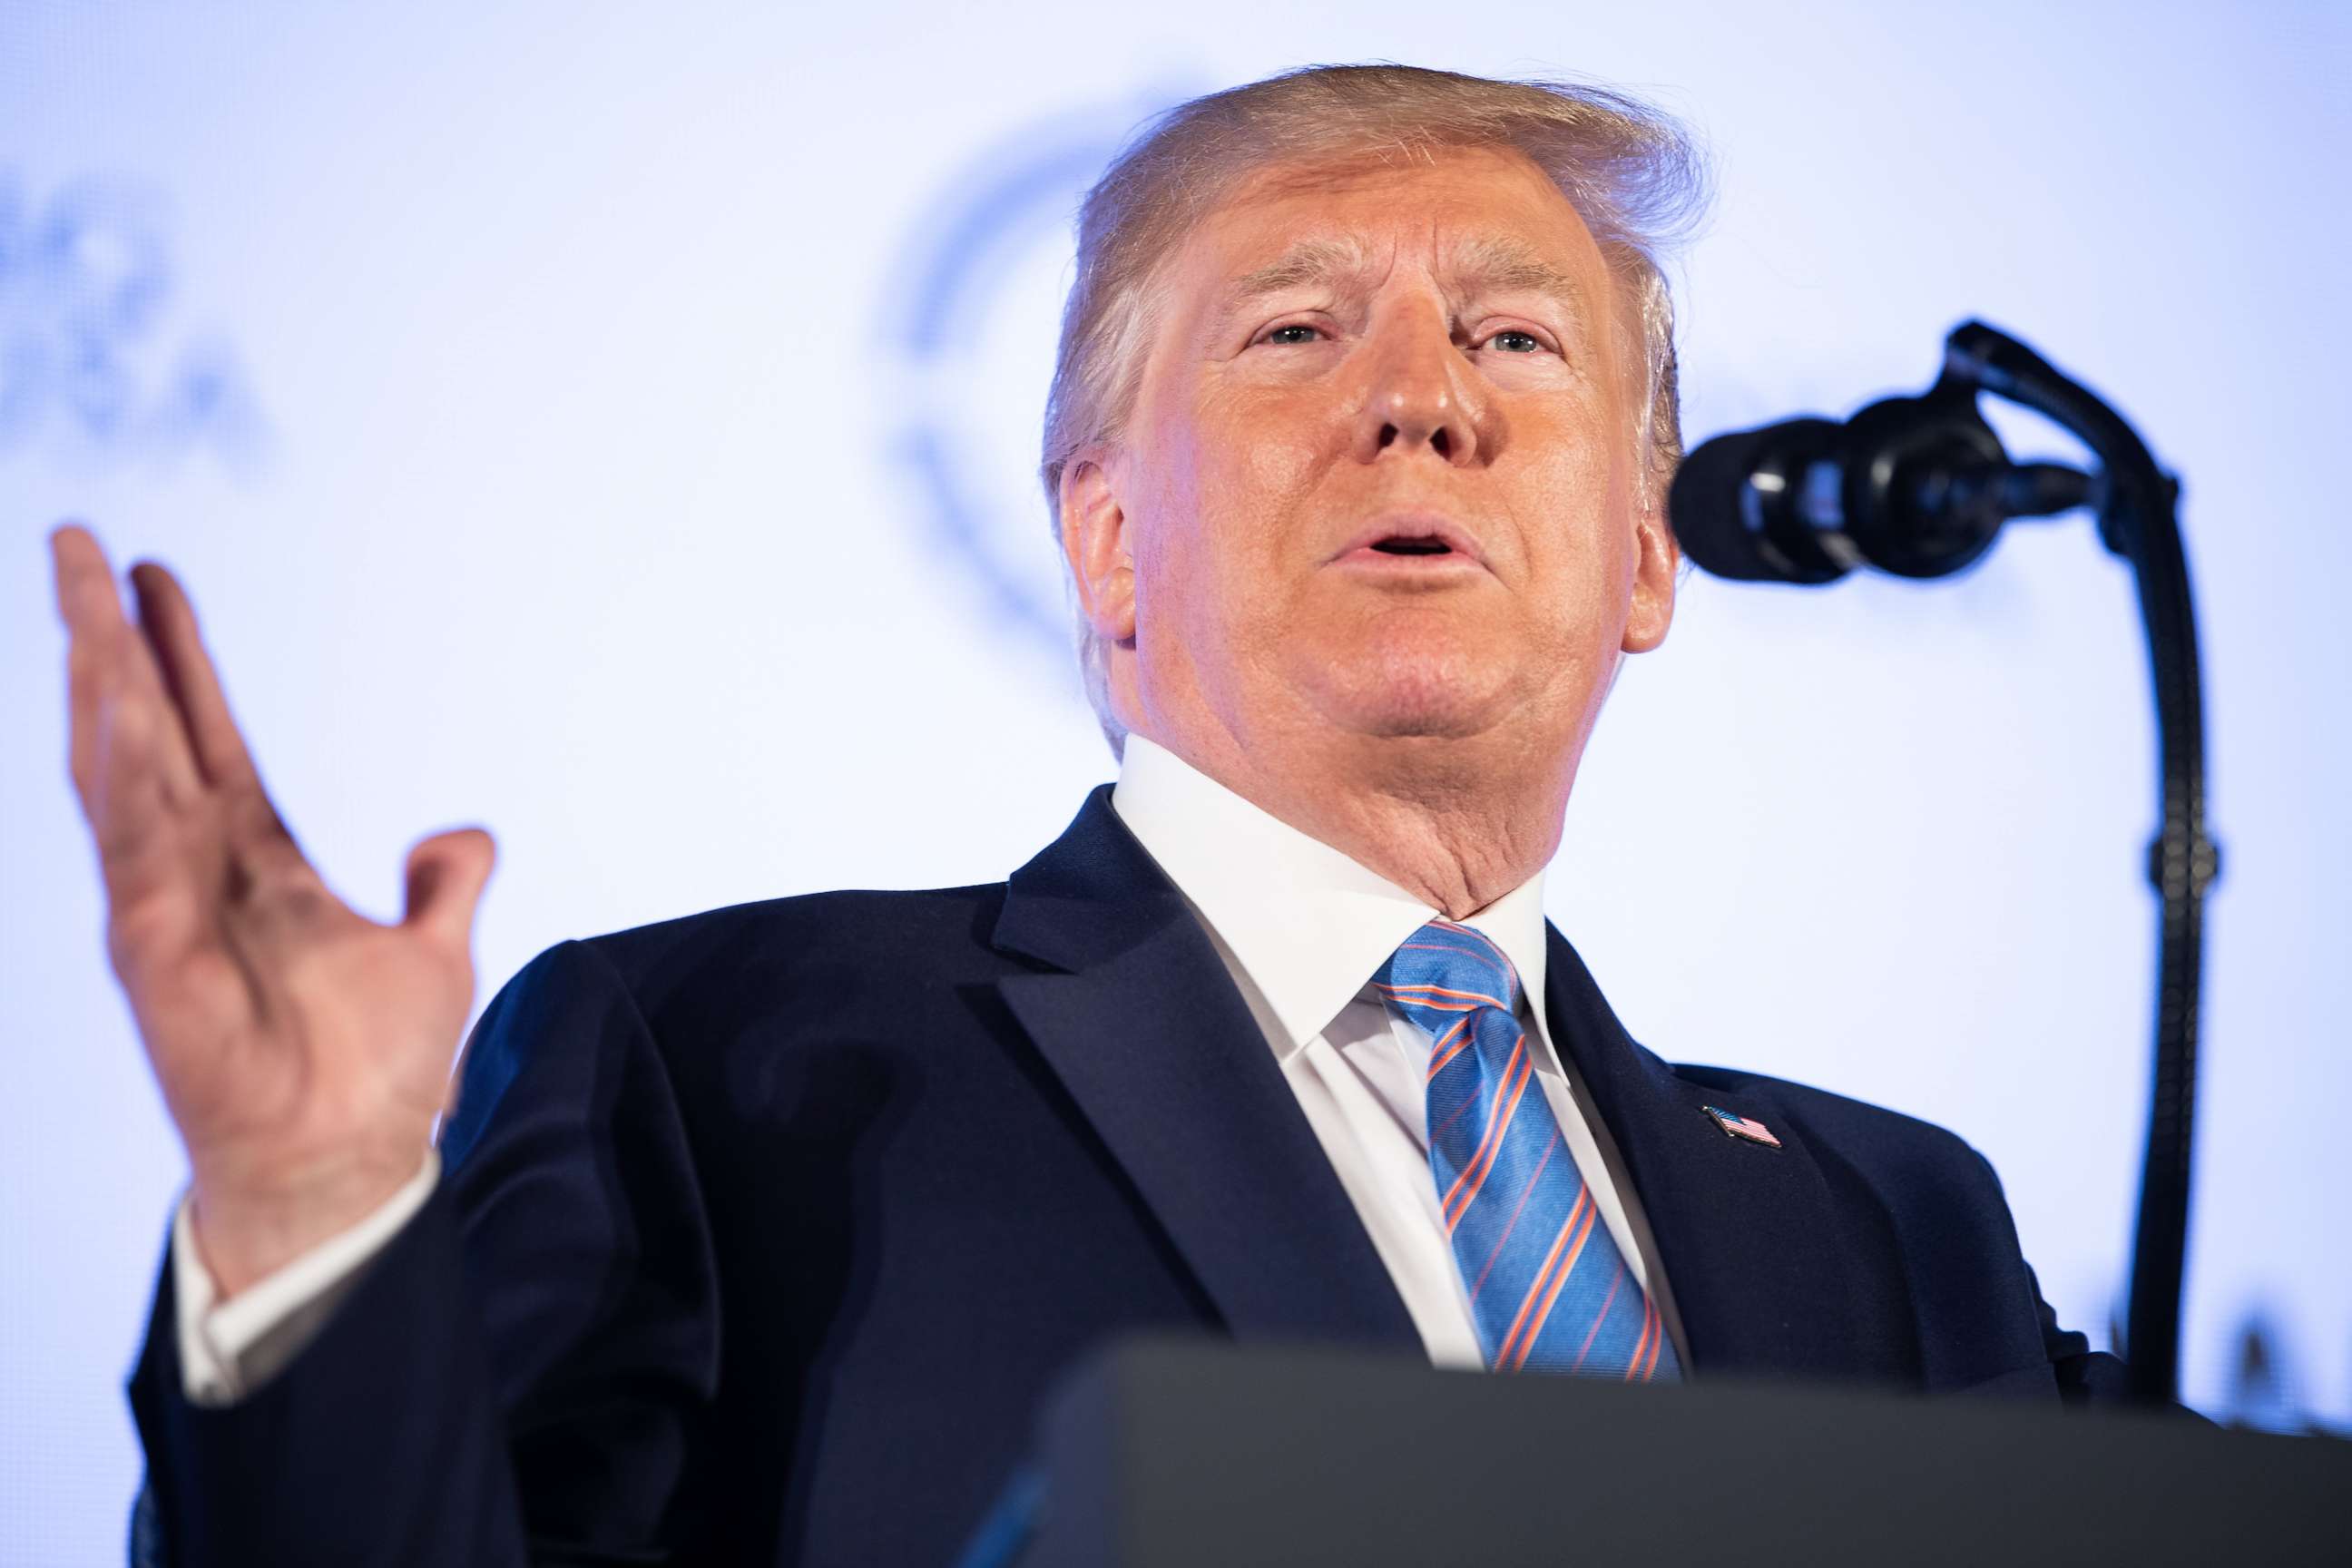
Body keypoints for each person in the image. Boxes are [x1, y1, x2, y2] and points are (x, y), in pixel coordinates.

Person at [57, 64, 2121, 1567]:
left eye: (1516, 334)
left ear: (1648, 548)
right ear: (1111, 543)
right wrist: (313, 1219)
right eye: (1301, 333)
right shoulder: (724, 1069)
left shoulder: (1890, 1226)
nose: (1429, 399)